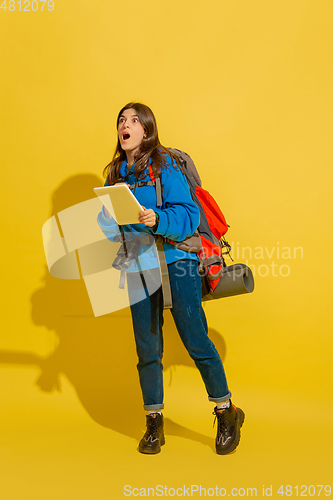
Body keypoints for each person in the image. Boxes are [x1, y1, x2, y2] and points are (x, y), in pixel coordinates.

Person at [97, 102, 245, 455]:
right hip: (137, 263)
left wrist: (156, 220)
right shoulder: (117, 173)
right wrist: (105, 217)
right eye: (121, 120)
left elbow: (188, 216)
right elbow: (109, 229)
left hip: (177, 260)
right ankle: (154, 423)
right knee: (147, 348)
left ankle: (227, 412)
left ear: (146, 130)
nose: (125, 125)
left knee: (195, 338)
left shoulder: (165, 165)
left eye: (134, 120)